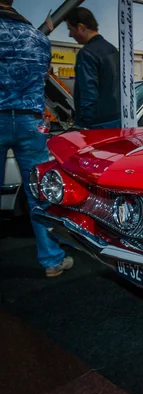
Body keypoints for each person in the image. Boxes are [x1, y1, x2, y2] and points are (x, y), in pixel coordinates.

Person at [0, 0, 73, 277]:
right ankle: (52, 260)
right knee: (39, 193)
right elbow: (45, 79)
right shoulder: (39, 38)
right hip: (31, 122)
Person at [66, 7, 121, 129]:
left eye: (70, 29)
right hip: (117, 119)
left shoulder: (87, 53)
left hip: (96, 124)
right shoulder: (113, 50)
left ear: (80, 27)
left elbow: (88, 93)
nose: (70, 35)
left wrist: (84, 124)